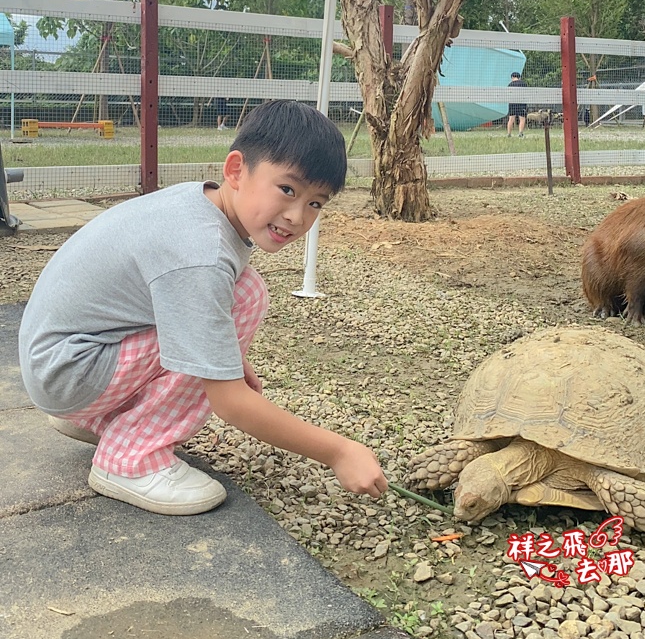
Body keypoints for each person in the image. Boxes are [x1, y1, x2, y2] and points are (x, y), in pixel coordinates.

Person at [19, 100, 387, 516]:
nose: (297, 215)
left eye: (316, 203)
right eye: (287, 189)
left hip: (63, 358)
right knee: (244, 300)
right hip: (68, 373)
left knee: (243, 291)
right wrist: (339, 452)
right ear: (236, 170)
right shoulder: (202, 252)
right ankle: (129, 459)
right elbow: (229, 401)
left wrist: (223, 353)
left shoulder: (204, 203)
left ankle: (104, 419)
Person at [506, 70, 527, 137]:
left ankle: (509, 134)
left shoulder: (510, 85)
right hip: (521, 103)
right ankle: (520, 133)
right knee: (522, 118)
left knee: (511, 119)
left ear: (512, 77)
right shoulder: (523, 84)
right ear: (519, 77)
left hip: (512, 103)